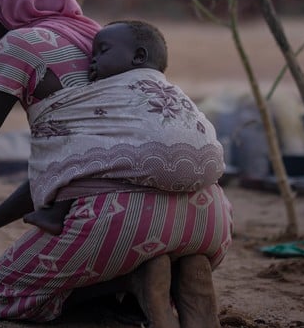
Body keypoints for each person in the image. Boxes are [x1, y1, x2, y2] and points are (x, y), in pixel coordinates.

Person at [0, 0, 232, 328]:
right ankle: (181, 279)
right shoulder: (109, 43)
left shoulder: (20, 45)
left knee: (3, 292)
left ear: (8, 5)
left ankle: (133, 278)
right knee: (111, 235)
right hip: (209, 217)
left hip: (121, 219)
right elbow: (78, 169)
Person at [23, 19, 225, 236]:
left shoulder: (108, 90)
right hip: (210, 164)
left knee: (75, 143)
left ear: (138, 57)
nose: (93, 61)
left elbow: (70, 132)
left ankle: (55, 212)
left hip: (160, 159)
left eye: (102, 51)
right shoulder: (172, 89)